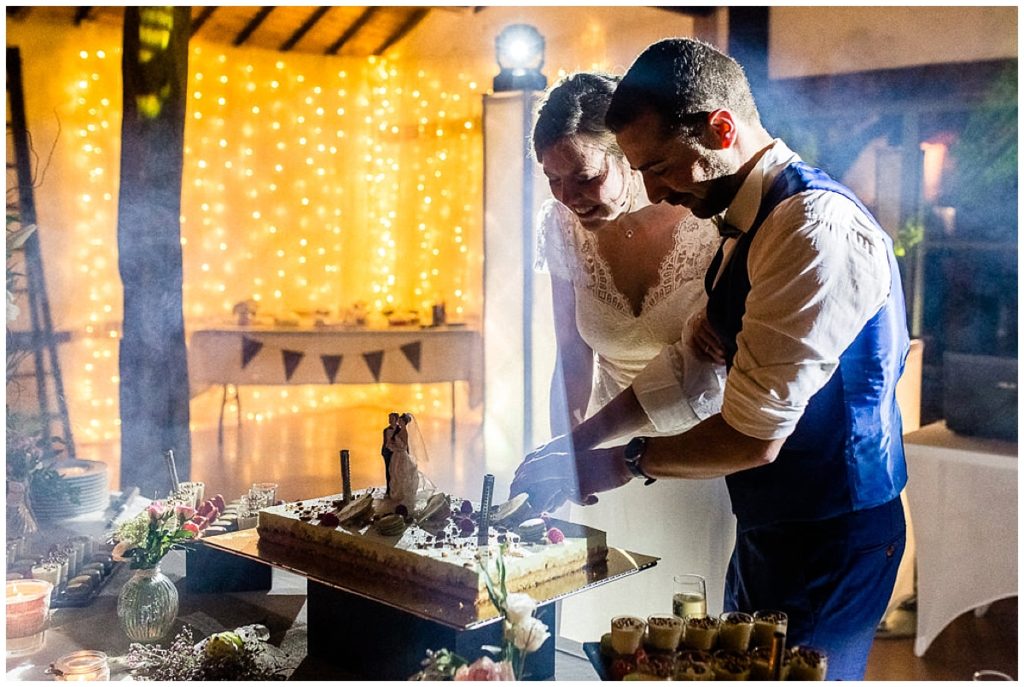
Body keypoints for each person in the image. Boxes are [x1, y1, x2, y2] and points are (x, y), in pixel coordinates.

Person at [511, 39, 909, 681]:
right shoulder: (743, 224)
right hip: (766, 524)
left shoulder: (810, 232)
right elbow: (690, 372)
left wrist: (621, 460)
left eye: (662, 165)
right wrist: (577, 445)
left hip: (833, 530)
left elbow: (754, 436)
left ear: (721, 128)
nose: (653, 190)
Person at [527, 72, 735, 636]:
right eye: (552, 179)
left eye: (585, 177)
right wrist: (566, 458)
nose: (568, 197)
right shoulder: (560, 227)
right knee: (605, 630)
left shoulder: (710, 219)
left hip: (698, 449)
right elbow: (572, 354)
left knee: (690, 628)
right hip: (604, 447)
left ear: (631, 154)